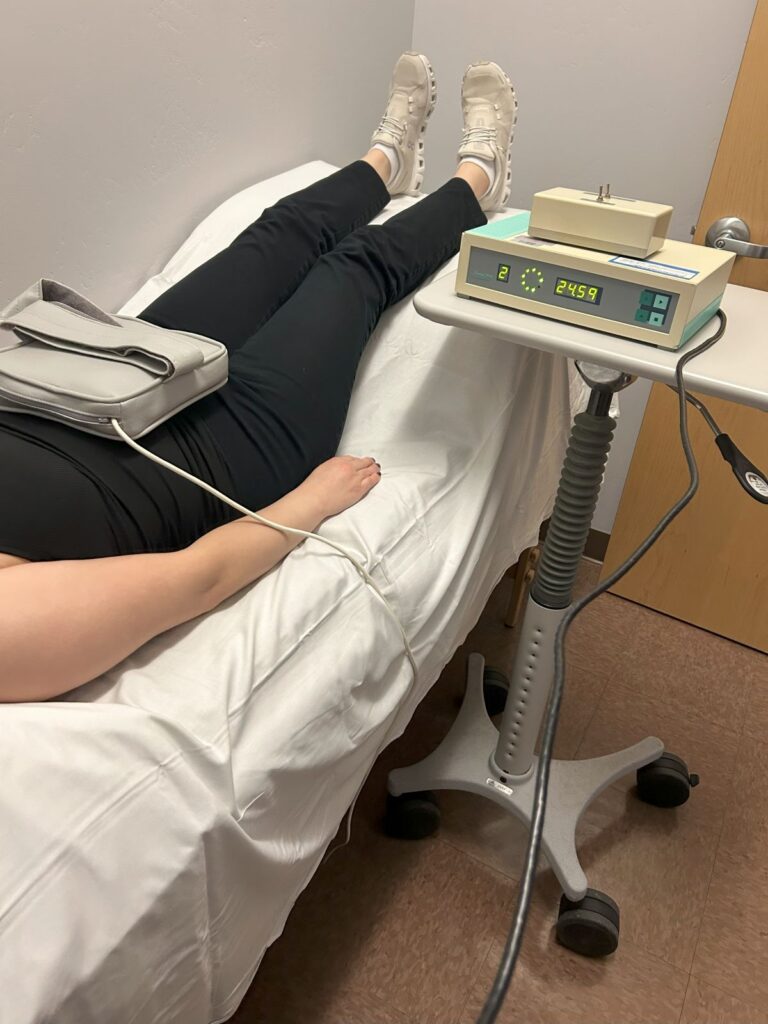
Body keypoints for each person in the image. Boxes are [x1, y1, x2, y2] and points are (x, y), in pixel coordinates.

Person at [0, 54, 517, 702]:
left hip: (102, 374)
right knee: (352, 271)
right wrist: (313, 502)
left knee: (275, 235)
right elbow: (198, 578)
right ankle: (478, 180)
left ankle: (385, 161)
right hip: (221, 450)